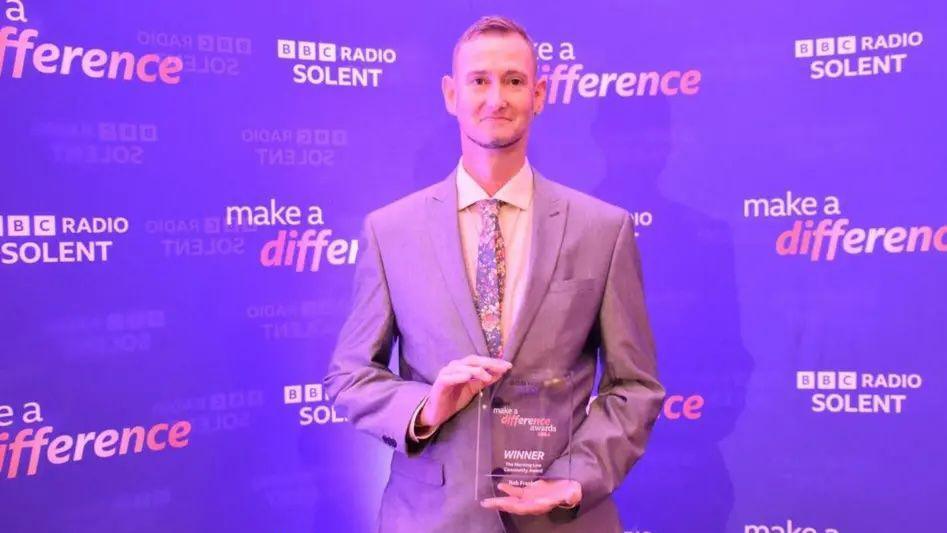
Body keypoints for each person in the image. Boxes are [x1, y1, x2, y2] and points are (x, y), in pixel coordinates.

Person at [324, 15, 664, 533]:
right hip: (431, 519)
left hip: (563, 521)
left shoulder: (603, 230)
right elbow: (350, 376)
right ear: (450, 94)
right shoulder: (389, 231)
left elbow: (634, 387)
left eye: (514, 80)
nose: (495, 98)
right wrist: (426, 407)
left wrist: (577, 478)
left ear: (540, 94)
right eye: (478, 81)